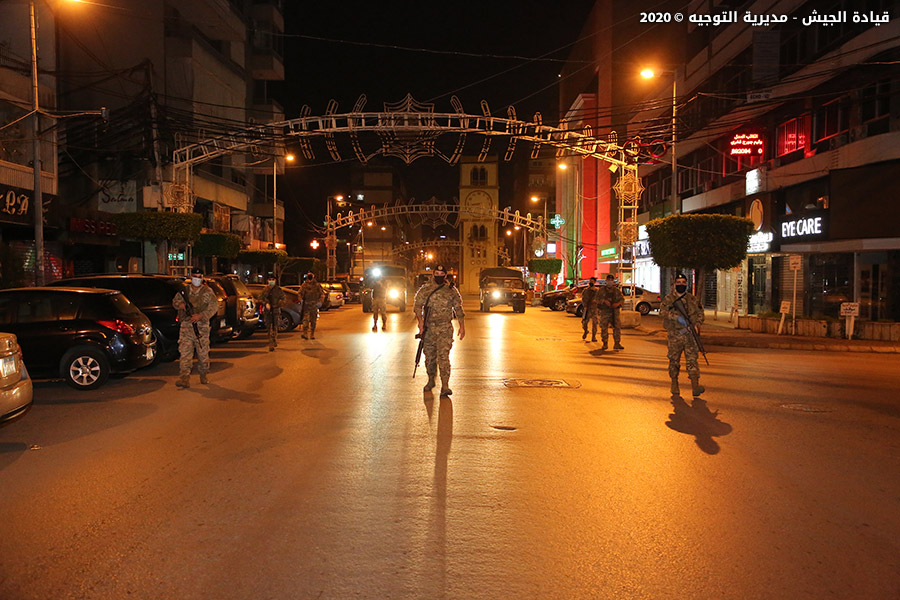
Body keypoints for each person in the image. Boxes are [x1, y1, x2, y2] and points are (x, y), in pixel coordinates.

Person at [414, 265, 465, 397]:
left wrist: (462, 325)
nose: (439, 275)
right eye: (436, 273)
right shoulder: (425, 289)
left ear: (445, 275)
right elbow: (417, 305)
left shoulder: (451, 290)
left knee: (443, 357)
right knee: (430, 358)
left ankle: (445, 385)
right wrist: (420, 322)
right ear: (433, 274)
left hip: (444, 328)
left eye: (441, 273)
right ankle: (431, 380)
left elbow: (458, 308)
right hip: (429, 328)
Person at [172, 267, 219, 388]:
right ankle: (184, 378)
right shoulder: (184, 291)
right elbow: (174, 302)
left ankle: (203, 373)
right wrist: (180, 305)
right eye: (194, 277)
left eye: (199, 277)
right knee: (185, 353)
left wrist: (201, 316)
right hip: (186, 326)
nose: (196, 279)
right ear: (190, 277)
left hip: (201, 328)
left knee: (203, 355)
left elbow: (214, 307)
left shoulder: (207, 292)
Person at [661, 273, 705, 397]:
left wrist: (697, 325)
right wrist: (677, 318)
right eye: (678, 282)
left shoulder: (692, 299)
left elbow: (701, 313)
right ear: (675, 284)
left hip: (690, 335)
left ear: (687, 284)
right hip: (675, 335)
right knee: (674, 360)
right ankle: (674, 382)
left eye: (683, 282)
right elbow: (662, 312)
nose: (681, 284)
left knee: (692, 360)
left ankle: (695, 386)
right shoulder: (669, 299)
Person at [596, 274, 625, 350]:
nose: (610, 282)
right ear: (606, 281)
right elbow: (596, 300)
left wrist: (617, 304)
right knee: (604, 328)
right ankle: (605, 343)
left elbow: (622, 300)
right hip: (605, 312)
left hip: (615, 312)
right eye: (608, 280)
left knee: (617, 328)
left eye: (611, 280)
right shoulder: (601, 290)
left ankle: (617, 343)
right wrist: (604, 301)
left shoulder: (616, 291)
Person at [259, 273, 286, 351]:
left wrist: (278, 304)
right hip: (268, 311)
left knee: (275, 326)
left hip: (276, 310)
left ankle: (274, 339)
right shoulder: (265, 290)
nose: (271, 281)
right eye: (270, 280)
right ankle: (270, 342)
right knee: (269, 326)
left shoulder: (278, 290)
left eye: (273, 280)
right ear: (267, 281)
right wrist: (265, 303)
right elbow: (260, 299)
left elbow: (283, 299)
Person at [299, 272, 325, 339]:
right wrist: (301, 301)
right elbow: (299, 293)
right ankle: (305, 333)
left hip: (314, 305)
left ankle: (312, 334)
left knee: (313, 320)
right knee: (305, 320)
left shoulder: (317, 285)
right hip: (306, 305)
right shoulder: (304, 285)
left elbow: (322, 294)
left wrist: (320, 302)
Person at [580, 277, 600, 341]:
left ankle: (593, 336)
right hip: (587, 309)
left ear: (594, 282)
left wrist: (596, 301)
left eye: (592, 281)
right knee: (584, 323)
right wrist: (585, 305)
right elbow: (583, 298)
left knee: (594, 323)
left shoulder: (597, 291)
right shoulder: (585, 290)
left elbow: (600, 299)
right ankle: (585, 331)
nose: (591, 282)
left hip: (594, 309)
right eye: (590, 281)